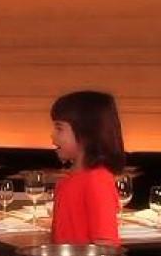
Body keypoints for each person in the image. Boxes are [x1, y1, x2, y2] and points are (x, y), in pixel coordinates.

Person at [50, 91, 125, 246]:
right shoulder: (65, 182)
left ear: (86, 133)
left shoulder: (98, 180)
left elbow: (106, 245)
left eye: (59, 128)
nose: (52, 136)